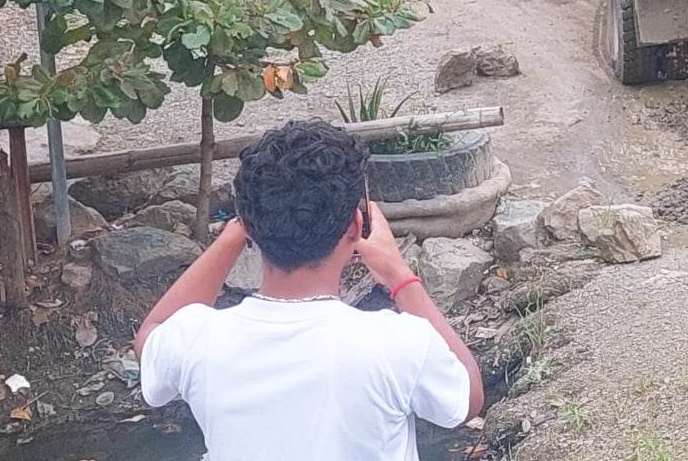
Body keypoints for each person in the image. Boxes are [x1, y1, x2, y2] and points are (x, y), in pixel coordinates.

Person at [135, 120, 484, 461]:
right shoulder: (398, 343)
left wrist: (234, 235)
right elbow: (467, 400)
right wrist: (399, 274)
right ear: (356, 225)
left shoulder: (197, 337)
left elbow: (150, 336)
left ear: (249, 228)